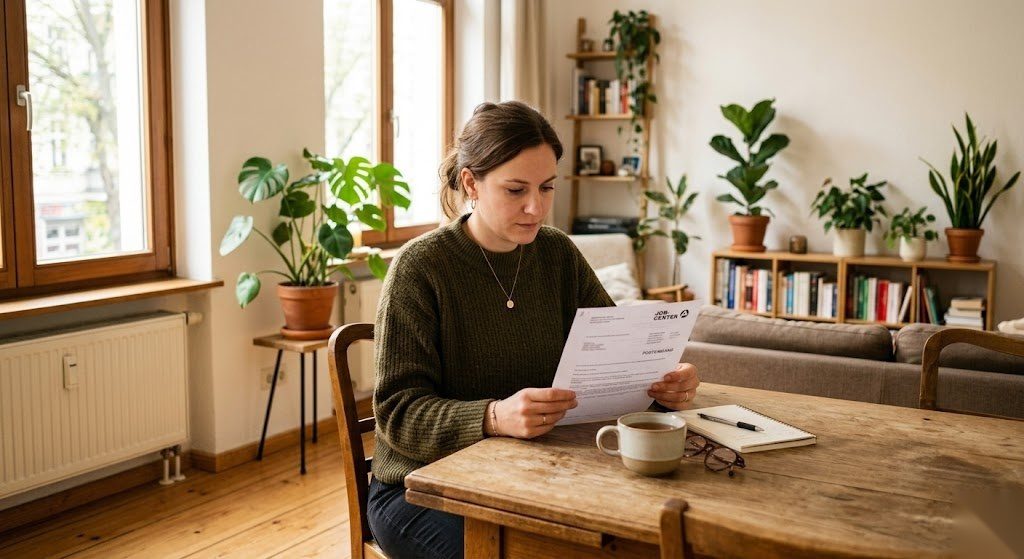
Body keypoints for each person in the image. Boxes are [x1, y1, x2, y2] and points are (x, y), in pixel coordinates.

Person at [366, 101, 700, 559]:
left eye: (546, 188)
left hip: (533, 473)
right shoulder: (420, 268)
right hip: (421, 488)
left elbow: (616, 353)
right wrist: (494, 417)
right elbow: (397, 413)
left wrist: (664, 381)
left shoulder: (557, 254)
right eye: (515, 189)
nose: (535, 207)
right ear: (471, 184)